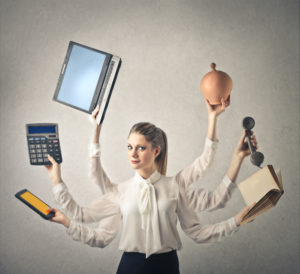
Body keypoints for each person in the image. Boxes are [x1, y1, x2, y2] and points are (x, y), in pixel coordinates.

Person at [45, 98, 257, 274]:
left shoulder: (174, 186)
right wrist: (60, 196)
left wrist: (236, 221)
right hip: (130, 267)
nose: (133, 154)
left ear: (156, 151)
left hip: (167, 267)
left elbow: (198, 229)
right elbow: (92, 227)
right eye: (129, 147)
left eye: (140, 148)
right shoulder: (121, 192)